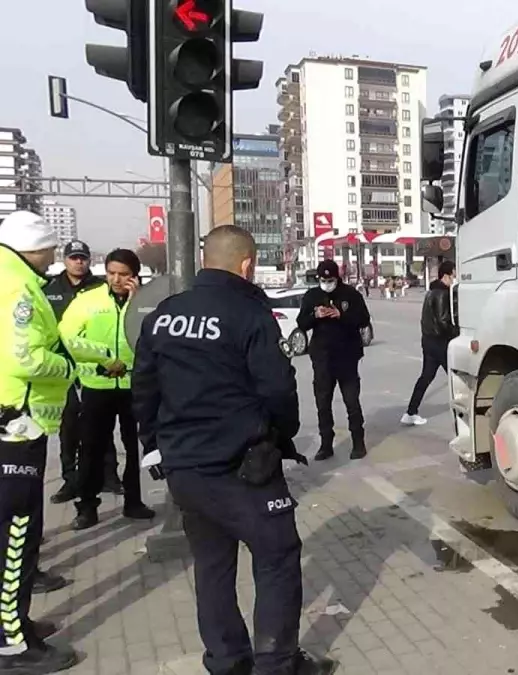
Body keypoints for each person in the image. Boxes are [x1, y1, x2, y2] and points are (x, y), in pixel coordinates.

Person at [131, 225, 336, 675]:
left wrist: (153, 445)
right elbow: (279, 389)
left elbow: (143, 386)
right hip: (243, 468)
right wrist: (281, 438)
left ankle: (225, 660)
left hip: (185, 469)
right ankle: (277, 664)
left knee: (212, 565)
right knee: (278, 556)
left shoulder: (164, 315)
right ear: (246, 265)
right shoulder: (250, 314)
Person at [0, 211, 86, 673]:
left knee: (14, 530)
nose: (54, 258)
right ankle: (12, 643)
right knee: (15, 533)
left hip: (10, 423)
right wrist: (66, 368)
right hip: (16, 426)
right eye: (50, 249)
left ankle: (15, 623)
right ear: (31, 247)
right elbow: (25, 357)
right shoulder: (17, 288)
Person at [60, 249, 156, 530]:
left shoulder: (144, 302)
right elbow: (68, 336)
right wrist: (103, 358)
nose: (116, 279)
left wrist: (135, 302)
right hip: (97, 385)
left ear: (135, 275)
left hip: (133, 386)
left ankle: (134, 501)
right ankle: (87, 506)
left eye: (123, 274)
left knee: (134, 447)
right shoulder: (87, 300)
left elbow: (148, 334)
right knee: (91, 448)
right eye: (111, 272)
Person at [42, 240, 107, 507]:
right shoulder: (49, 289)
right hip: (62, 367)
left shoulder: (100, 287)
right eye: (73, 258)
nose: (78, 262)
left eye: (82, 258)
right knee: (68, 426)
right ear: (65, 260)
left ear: (88, 260)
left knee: (100, 425)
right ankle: (71, 480)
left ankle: (108, 477)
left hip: (95, 365)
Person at [297, 260, 370, 461]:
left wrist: (341, 314)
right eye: (323, 280)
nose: (326, 283)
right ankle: (326, 444)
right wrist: (315, 315)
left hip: (347, 357)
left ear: (337, 278)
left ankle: (358, 443)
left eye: (330, 280)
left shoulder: (351, 294)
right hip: (322, 358)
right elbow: (301, 323)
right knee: (323, 403)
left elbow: (364, 319)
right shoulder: (312, 296)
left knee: (351, 401)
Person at [402, 260, 457, 427]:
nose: (455, 279)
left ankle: (411, 412)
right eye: (454, 275)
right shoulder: (442, 293)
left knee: (426, 377)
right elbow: (442, 321)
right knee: (457, 378)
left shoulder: (431, 292)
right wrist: (458, 332)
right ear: (447, 275)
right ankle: (464, 415)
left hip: (428, 341)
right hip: (440, 342)